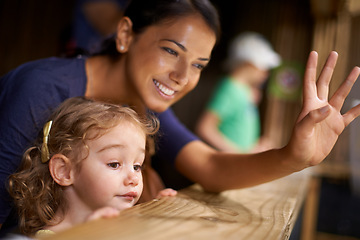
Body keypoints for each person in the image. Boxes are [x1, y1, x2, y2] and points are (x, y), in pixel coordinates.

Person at [1, 0, 360, 233]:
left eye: (199, 65)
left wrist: (294, 157)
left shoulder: (142, 109)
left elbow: (211, 168)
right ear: (126, 34)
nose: (183, 76)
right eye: (172, 50)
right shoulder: (43, 89)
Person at [7, 97, 177, 237]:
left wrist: (158, 215)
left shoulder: (120, 221)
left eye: (137, 166)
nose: (133, 178)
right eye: (114, 164)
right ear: (64, 171)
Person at [195, 32, 281, 153]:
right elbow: (205, 128)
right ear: (249, 64)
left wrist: (255, 147)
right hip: (230, 165)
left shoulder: (246, 91)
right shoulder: (230, 89)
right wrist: (240, 155)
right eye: (264, 67)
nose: (266, 74)